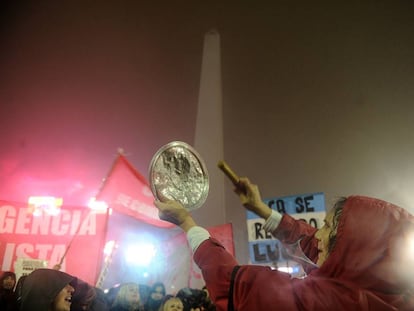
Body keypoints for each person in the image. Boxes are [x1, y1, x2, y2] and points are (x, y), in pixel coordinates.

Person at [154, 177, 414, 310]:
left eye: (326, 228)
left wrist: (186, 222)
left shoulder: (325, 304)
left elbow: (234, 284)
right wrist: (261, 209)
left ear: (353, 249)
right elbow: (312, 242)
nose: (317, 235)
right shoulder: (389, 292)